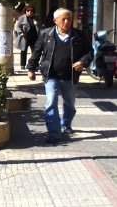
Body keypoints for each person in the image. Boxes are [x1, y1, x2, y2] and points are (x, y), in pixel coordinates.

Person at [26, 8, 92, 144]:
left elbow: (90, 52)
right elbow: (36, 52)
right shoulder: (46, 34)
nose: (67, 22)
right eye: (63, 19)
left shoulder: (79, 35)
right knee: (51, 102)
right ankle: (53, 133)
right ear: (55, 21)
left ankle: (65, 124)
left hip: (70, 76)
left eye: (69, 19)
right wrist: (31, 68)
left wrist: (83, 62)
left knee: (69, 104)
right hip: (51, 75)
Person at [15, 4, 40, 70]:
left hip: (34, 37)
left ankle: (35, 64)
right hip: (25, 37)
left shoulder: (36, 18)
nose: (29, 12)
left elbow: (41, 27)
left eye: (31, 11)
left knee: (35, 52)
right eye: (28, 11)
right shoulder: (22, 18)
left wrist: (37, 24)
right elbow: (18, 26)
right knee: (23, 51)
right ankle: (23, 64)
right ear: (25, 11)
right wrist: (20, 32)